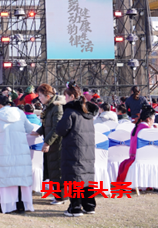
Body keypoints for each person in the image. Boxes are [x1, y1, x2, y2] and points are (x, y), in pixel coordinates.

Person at [0, 95, 34, 214]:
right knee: (19, 177)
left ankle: (4, 205)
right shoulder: (20, 113)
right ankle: (21, 205)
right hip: (20, 151)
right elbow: (30, 128)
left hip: (4, 151)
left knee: (4, 178)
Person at [55, 84, 96, 217]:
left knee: (75, 178)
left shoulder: (70, 111)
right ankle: (89, 206)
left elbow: (61, 129)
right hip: (88, 150)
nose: (64, 98)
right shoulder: (87, 112)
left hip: (73, 149)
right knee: (86, 177)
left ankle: (75, 207)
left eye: (66, 96)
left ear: (72, 96)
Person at [33, 83, 65, 205]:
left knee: (57, 169)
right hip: (52, 141)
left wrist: (47, 142)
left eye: (40, 95)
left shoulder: (57, 106)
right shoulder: (50, 106)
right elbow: (47, 124)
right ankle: (57, 195)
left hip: (57, 143)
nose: (39, 98)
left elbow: (57, 127)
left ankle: (61, 197)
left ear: (47, 95)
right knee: (52, 169)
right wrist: (38, 132)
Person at [116, 106, 156, 182]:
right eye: (153, 120)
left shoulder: (136, 128)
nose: (153, 122)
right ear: (148, 119)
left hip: (133, 157)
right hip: (145, 158)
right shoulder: (149, 130)